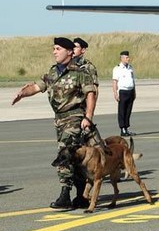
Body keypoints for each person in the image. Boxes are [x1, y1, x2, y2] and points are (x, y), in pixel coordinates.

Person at [11, 37, 100, 208]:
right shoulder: (53, 72)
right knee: (76, 157)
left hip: (74, 118)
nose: (54, 52)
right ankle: (81, 195)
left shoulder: (80, 72)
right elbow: (37, 86)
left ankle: (65, 194)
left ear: (69, 51)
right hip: (59, 120)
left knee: (64, 153)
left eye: (58, 49)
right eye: (54, 49)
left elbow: (90, 94)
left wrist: (88, 116)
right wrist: (23, 93)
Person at [112, 50, 136, 136]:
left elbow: (133, 80)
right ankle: (122, 128)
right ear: (122, 58)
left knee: (128, 111)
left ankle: (127, 128)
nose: (128, 59)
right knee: (122, 111)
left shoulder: (130, 68)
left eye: (128, 57)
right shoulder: (117, 69)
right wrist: (115, 93)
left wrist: (134, 91)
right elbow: (115, 82)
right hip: (122, 91)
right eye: (126, 57)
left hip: (130, 91)